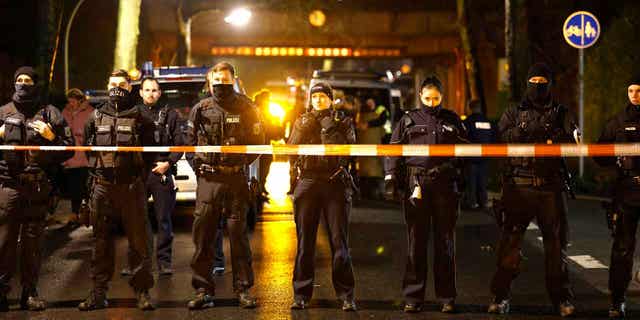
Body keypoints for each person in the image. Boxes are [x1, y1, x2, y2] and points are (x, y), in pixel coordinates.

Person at [488, 63, 579, 317]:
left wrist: (552, 134)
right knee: (510, 245)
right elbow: (501, 139)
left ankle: (562, 300)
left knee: (556, 247)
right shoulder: (513, 112)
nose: (538, 85)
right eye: (534, 80)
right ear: (527, 83)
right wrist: (527, 129)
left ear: (550, 84)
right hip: (519, 186)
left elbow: (572, 139)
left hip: (551, 187)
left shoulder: (561, 112)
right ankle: (500, 296)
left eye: (543, 80)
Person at [384, 75, 467, 313]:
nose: (432, 102)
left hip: (445, 185)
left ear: (442, 97)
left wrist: (460, 171)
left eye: (436, 98)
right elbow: (393, 149)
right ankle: (413, 297)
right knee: (416, 243)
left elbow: (466, 149)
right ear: (420, 96)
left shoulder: (452, 120)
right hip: (416, 183)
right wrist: (390, 177)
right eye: (427, 98)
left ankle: (446, 298)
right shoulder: (408, 120)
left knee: (445, 243)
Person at [184, 62, 263, 310]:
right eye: (216, 79)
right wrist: (201, 168)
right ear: (210, 81)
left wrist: (237, 164)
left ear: (233, 78)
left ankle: (243, 290)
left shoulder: (247, 107)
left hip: (235, 181)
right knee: (203, 239)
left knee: (239, 239)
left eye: (225, 79)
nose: (221, 83)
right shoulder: (200, 108)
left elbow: (257, 143)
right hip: (209, 181)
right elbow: (189, 146)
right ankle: (202, 290)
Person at [79, 70, 155, 311]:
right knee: (100, 242)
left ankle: (142, 292)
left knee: (139, 243)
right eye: (112, 84)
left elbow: (152, 151)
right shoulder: (96, 115)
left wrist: (140, 180)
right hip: (102, 187)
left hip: (131, 187)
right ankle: (98, 293)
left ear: (130, 87)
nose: (116, 88)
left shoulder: (142, 116)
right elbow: (88, 149)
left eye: (121, 84)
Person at [0, 66, 74, 311]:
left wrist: (52, 137)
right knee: (4, 242)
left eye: (28, 80)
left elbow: (69, 149)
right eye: (19, 80)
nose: (23, 84)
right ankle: (1, 291)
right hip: (8, 187)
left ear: (36, 84)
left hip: (37, 187)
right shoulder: (3, 112)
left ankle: (29, 293)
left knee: (32, 244)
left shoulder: (50, 113)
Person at [288, 82, 357, 311]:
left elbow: (348, 148)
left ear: (330, 99)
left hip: (334, 182)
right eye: (314, 96)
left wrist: (327, 126)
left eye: (322, 96)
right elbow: (291, 149)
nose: (318, 100)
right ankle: (301, 295)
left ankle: (346, 295)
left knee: (340, 242)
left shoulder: (342, 121)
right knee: (305, 242)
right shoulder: (302, 120)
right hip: (308, 180)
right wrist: (302, 128)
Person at [121, 77, 182, 276]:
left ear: (160, 93)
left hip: (160, 171)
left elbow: (180, 144)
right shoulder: (133, 114)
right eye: (147, 90)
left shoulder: (170, 114)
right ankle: (135, 262)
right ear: (140, 93)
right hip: (138, 172)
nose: (150, 93)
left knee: (163, 220)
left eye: (154, 90)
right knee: (136, 220)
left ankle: (164, 262)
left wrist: (169, 163)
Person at [594, 75, 640, 318]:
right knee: (622, 247)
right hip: (627, 191)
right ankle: (617, 299)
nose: (634, 94)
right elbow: (599, 154)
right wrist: (614, 157)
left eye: (639, 90)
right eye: (631, 90)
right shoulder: (618, 122)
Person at [61, 88, 94, 225]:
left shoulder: (90, 112)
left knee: (86, 187)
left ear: (80, 100)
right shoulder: (65, 112)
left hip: (85, 157)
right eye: (69, 101)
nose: (71, 104)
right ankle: (75, 213)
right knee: (74, 187)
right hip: (70, 157)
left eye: (73, 101)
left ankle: (88, 213)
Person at [462, 99, 495, 209]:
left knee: (471, 182)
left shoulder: (468, 122)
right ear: (480, 108)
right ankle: (483, 202)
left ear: (470, 108)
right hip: (484, 156)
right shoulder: (487, 121)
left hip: (471, 157)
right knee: (482, 181)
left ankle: (472, 202)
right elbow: (492, 137)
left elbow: (463, 138)